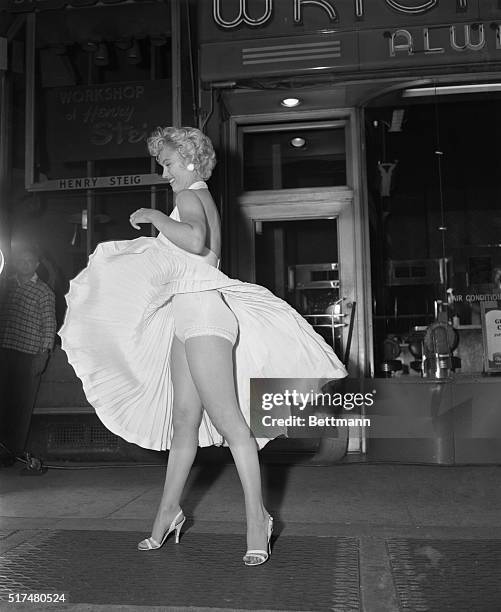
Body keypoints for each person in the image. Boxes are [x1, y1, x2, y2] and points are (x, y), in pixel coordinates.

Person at [59, 127, 347, 566]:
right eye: (162, 163)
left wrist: (155, 218)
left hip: (205, 319)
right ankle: (168, 512)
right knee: (183, 422)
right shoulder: (195, 195)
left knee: (232, 426)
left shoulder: (192, 195)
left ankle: (258, 520)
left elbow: (195, 241)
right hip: (186, 317)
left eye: (169, 163)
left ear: (190, 161)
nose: (163, 170)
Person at [0, 247, 56, 459]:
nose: (24, 263)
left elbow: (49, 324)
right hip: (4, 350)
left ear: (36, 264)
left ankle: (12, 452)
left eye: (29, 260)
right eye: (21, 260)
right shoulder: (6, 285)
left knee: (20, 405)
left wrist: (43, 355)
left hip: (29, 354)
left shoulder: (44, 292)